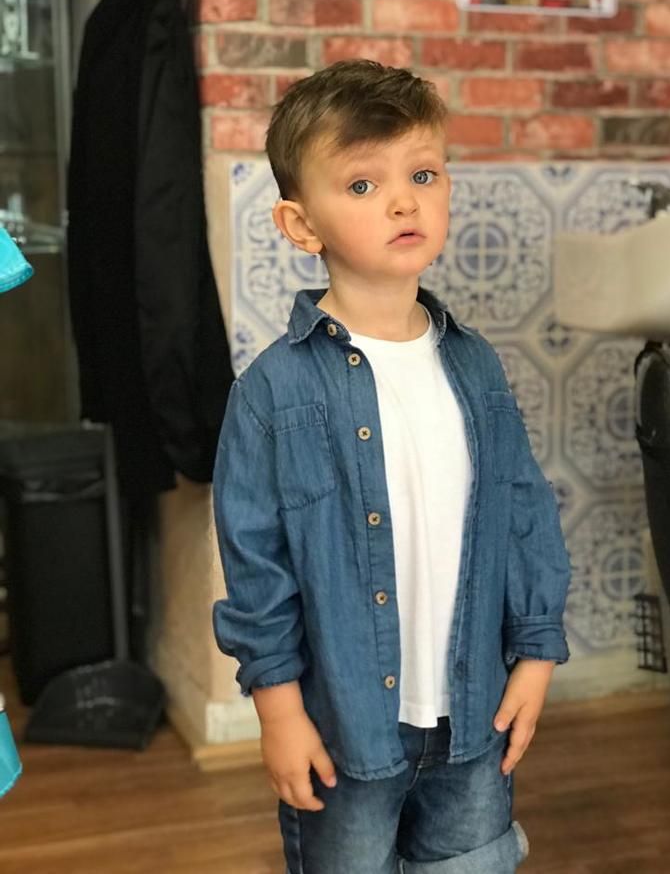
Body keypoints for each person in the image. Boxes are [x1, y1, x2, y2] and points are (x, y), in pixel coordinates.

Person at [212, 60, 571, 874]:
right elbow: (255, 564)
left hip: (473, 721)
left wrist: (536, 654)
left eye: (422, 175)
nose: (404, 201)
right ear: (301, 225)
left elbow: (523, 516)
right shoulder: (273, 392)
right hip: (343, 732)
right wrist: (278, 711)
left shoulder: (476, 369)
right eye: (363, 185)